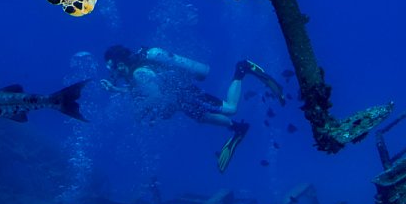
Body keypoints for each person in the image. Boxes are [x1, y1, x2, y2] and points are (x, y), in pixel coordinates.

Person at [102, 45, 284, 171]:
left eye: (112, 67)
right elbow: (146, 88)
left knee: (230, 108)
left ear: (119, 63)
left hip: (187, 95)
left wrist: (143, 110)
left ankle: (242, 68)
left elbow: (155, 95)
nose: (113, 72)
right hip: (181, 100)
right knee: (202, 118)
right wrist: (118, 89)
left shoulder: (138, 72)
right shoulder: (137, 69)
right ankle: (237, 128)